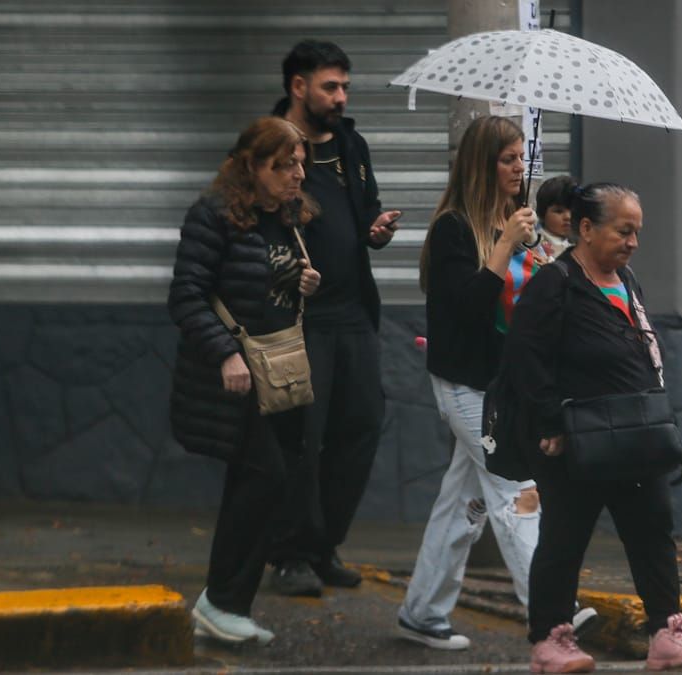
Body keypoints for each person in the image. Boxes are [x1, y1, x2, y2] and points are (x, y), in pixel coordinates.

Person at [504, 183, 682, 672]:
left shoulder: (628, 281)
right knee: (564, 538)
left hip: (635, 434)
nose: (632, 241)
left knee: (652, 533)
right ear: (585, 229)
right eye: (623, 230)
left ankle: (666, 632)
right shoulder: (555, 283)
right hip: (575, 439)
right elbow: (524, 359)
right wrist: (550, 421)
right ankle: (551, 641)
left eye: (636, 232)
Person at [397, 115, 551, 651]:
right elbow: (465, 307)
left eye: (520, 157)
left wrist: (539, 259)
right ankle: (551, 615)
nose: (518, 168)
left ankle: (421, 611)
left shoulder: (509, 223)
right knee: (516, 489)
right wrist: (507, 244)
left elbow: (521, 308)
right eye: (507, 159)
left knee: (461, 505)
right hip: (464, 384)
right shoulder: (454, 229)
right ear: (483, 164)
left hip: (499, 385)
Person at [168, 116, 321, 644]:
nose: (298, 174)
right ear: (252, 165)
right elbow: (185, 296)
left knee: (263, 483)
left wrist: (303, 282)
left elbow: (267, 286)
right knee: (265, 478)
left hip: (278, 373)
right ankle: (222, 601)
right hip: (236, 375)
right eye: (284, 165)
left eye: (300, 162)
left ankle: (225, 602)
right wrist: (224, 355)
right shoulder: (213, 217)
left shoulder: (287, 217)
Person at [268, 39, 401, 597]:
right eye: (330, 86)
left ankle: (323, 546)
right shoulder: (268, 145)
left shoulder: (351, 145)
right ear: (298, 87)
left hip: (352, 314)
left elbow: (364, 211)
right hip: (299, 319)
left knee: (361, 427)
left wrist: (377, 230)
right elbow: (248, 220)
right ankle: (289, 553)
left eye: (345, 86)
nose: (341, 97)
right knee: (302, 438)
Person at [534, 175, 577, 259]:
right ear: (542, 213)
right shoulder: (534, 244)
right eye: (559, 211)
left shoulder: (580, 244)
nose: (568, 217)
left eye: (572, 210)